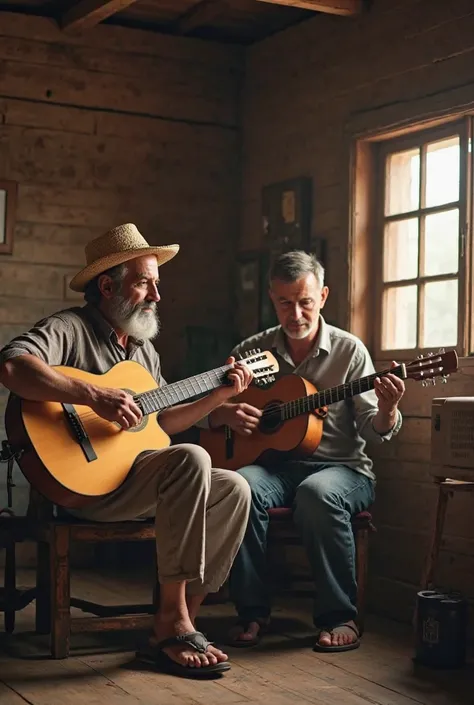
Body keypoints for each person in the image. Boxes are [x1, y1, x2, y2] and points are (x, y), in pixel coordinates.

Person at [0, 223, 253, 679]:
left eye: (157, 283)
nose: (156, 295)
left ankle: (178, 624)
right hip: (82, 486)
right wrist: (93, 397)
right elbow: (13, 366)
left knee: (234, 487)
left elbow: (160, 425)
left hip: (130, 481)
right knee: (194, 458)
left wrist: (217, 397)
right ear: (107, 285)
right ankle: (173, 621)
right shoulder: (68, 328)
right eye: (144, 283)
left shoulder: (143, 352)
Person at [206, 250, 405, 653]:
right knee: (239, 486)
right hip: (274, 466)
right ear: (271, 298)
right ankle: (251, 612)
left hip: (343, 470)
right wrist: (228, 414)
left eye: (305, 302)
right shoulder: (253, 350)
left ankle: (339, 616)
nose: (295, 313)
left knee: (318, 493)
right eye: (284, 303)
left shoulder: (350, 353)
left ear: (324, 296)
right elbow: (214, 410)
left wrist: (387, 408)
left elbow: (374, 429)